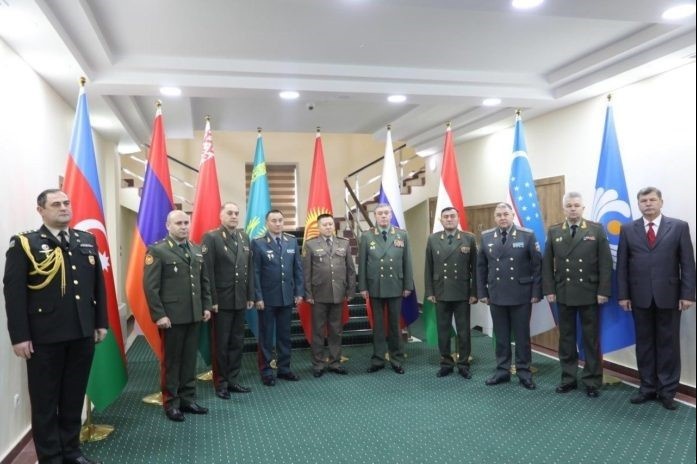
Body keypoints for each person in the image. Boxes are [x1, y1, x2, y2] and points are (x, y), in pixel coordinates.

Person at [3, 189, 106, 464]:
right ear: (41, 210)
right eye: (56, 204)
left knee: (73, 397)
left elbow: (98, 285)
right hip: (44, 337)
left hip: (81, 333)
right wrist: (19, 336)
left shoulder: (86, 240)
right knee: (45, 401)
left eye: (66, 203)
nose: (63, 208)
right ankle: (50, 457)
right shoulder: (25, 243)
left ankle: (71, 451)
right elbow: (14, 293)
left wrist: (100, 322)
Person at [617, 186, 696, 410]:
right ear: (638, 204)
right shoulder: (628, 229)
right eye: (644, 201)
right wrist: (623, 295)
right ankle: (647, 388)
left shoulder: (679, 227)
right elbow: (622, 266)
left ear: (661, 202)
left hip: (670, 296)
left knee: (668, 345)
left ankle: (667, 391)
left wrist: (688, 294)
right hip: (639, 296)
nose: (648, 204)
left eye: (652, 200)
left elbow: (687, 263)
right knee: (644, 344)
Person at [144, 210, 212, 422]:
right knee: (172, 362)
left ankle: (187, 399)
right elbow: (151, 287)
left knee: (189, 360)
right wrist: (159, 314)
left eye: (186, 222)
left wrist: (206, 306)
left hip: (194, 314)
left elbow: (203, 281)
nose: (183, 226)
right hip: (171, 317)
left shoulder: (196, 249)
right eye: (178, 223)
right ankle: (171, 403)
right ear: (168, 226)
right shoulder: (158, 250)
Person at [542, 192, 612, 398]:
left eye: (576, 205)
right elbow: (547, 264)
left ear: (583, 208)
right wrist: (549, 290)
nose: (573, 209)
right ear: (564, 208)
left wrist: (603, 291)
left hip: (589, 293)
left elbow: (605, 263)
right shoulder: (554, 231)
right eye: (569, 205)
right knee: (566, 339)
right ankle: (568, 379)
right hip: (564, 292)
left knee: (591, 339)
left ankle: (592, 381)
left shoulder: (595, 230)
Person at [477, 202, 542, 390]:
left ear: (512, 215)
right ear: (494, 217)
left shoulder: (526, 235)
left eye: (506, 214)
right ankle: (502, 370)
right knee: (501, 336)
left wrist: (536, 292)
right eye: (499, 215)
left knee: (522, 336)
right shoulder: (487, 237)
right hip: (496, 294)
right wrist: (482, 292)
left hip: (521, 295)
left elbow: (537, 266)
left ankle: (524, 372)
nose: (502, 218)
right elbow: (481, 267)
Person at [201, 202, 255, 399]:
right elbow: (207, 271)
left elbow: (249, 268)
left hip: (240, 298)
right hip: (221, 301)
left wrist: (250, 294)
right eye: (230, 213)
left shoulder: (243, 236)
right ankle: (221, 383)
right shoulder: (212, 237)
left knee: (237, 342)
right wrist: (211, 299)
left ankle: (233, 379)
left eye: (236, 213)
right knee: (221, 344)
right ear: (221, 216)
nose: (234, 216)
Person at [358, 203, 414, 374]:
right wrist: (363, 286)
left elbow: (407, 262)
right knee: (378, 325)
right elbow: (362, 263)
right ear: (375, 216)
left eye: (386, 213)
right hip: (375, 285)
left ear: (391, 215)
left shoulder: (401, 234)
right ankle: (378, 359)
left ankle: (397, 358)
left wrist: (408, 285)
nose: (383, 216)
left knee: (395, 325)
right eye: (380, 213)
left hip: (395, 284)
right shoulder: (367, 236)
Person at [424, 207, 478, 379]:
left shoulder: (469, 238)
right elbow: (428, 267)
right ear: (441, 220)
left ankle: (463, 364)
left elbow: (475, 268)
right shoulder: (433, 239)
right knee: (443, 330)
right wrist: (430, 291)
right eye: (445, 217)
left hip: (462, 292)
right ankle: (446, 363)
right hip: (441, 291)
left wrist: (474, 292)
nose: (449, 219)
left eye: (452, 216)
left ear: (458, 218)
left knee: (463, 331)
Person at [252, 209, 304, 386]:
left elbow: (298, 269)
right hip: (267, 298)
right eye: (274, 220)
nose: (278, 223)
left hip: (286, 296)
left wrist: (299, 292)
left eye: (280, 220)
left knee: (285, 335)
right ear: (267, 223)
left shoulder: (291, 241)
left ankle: (284, 369)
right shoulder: (258, 243)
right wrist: (258, 296)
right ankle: (266, 371)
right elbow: (255, 272)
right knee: (266, 337)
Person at [302, 213, 356, 377]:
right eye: (324, 224)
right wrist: (308, 293)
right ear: (318, 227)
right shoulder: (310, 244)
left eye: (330, 224)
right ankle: (318, 364)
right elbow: (306, 272)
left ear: (334, 226)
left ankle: (335, 363)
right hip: (318, 295)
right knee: (318, 332)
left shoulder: (344, 243)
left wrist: (351, 290)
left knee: (336, 331)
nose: (328, 227)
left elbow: (350, 270)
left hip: (338, 293)